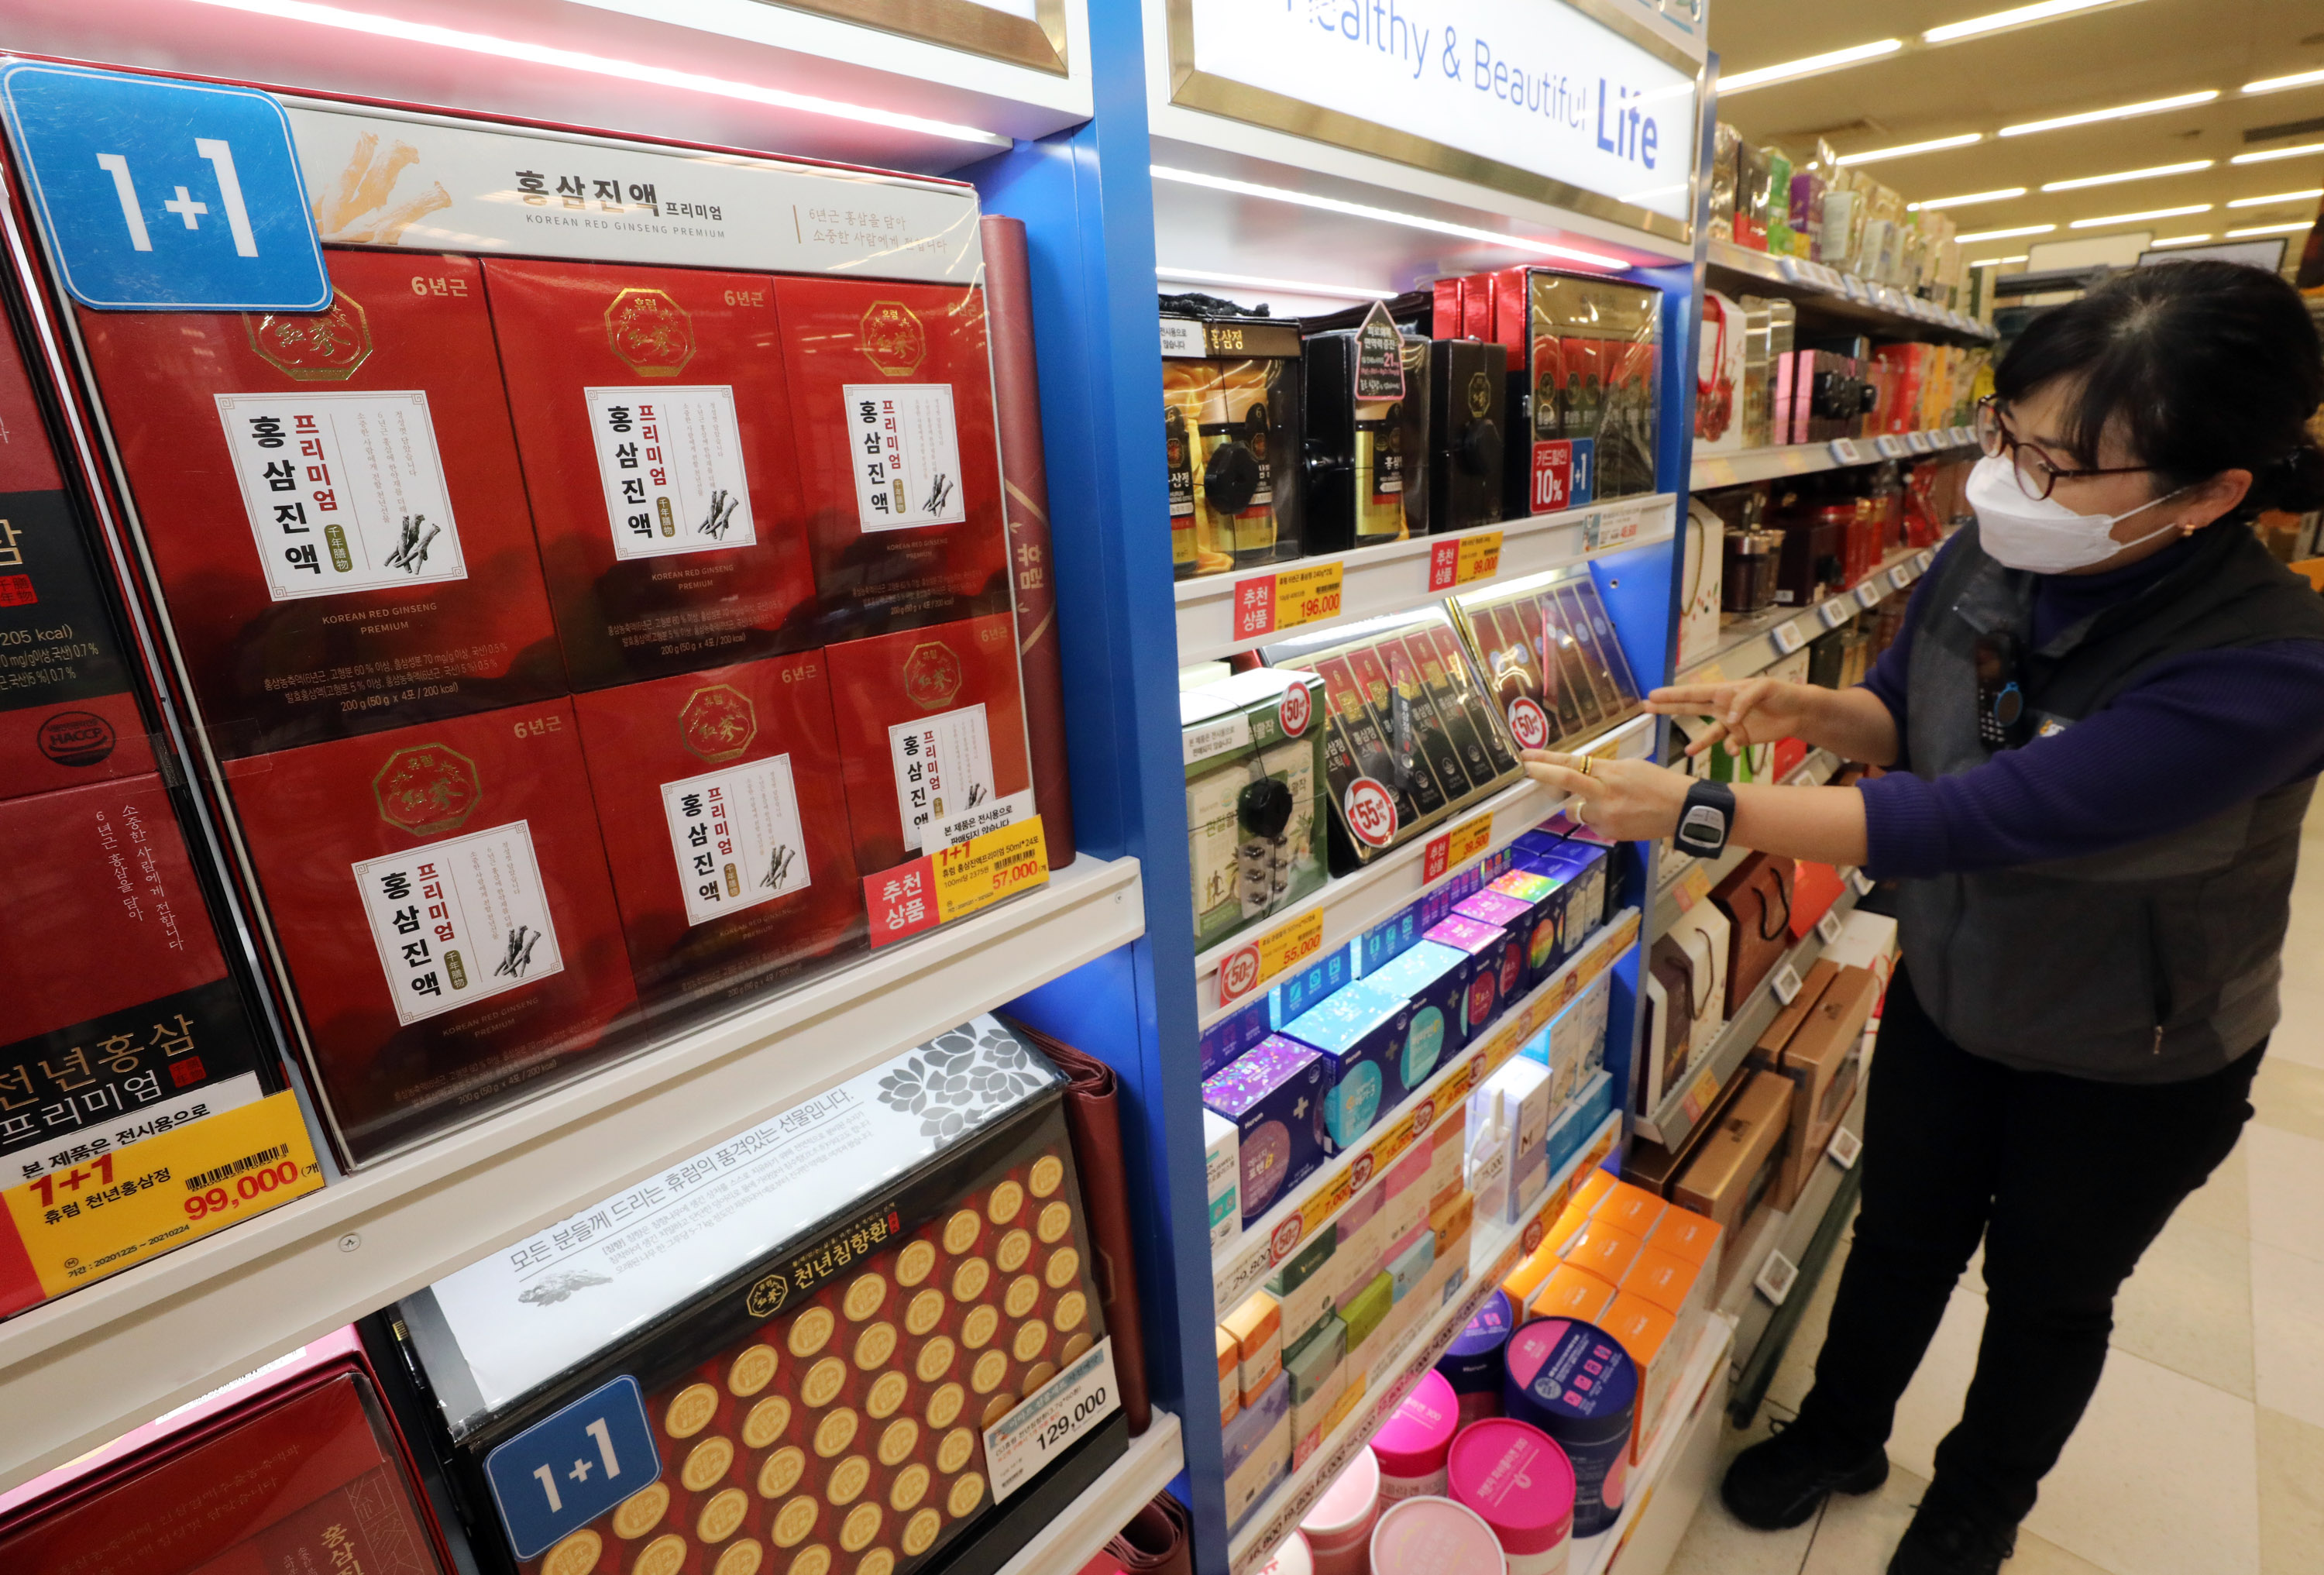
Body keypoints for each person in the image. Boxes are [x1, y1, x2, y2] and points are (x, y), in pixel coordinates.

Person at [1522, 260, 2324, 1575]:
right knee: (1898, 1233)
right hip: (1957, 986)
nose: (2009, 479)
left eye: (2062, 465)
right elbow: (1913, 716)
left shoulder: (2269, 670)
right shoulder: (1992, 549)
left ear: (2211, 491)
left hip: (2136, 1054)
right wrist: (1810, 708)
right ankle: (1841, 1431)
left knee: (2049, 1296)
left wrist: (1695, 811)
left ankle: (1974, 1507)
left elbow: (1981, 813)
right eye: (2008, 435)